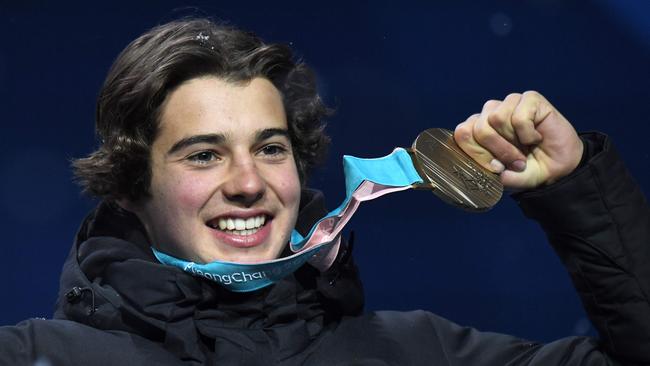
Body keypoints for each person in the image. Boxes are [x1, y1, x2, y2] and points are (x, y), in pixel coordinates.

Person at [1, 17, 648, 365]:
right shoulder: (37, 357)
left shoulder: (417, 353)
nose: (249, 183)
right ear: (130, 186)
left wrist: (575, 188)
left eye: (270, 148)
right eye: (205, 154)